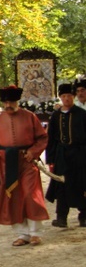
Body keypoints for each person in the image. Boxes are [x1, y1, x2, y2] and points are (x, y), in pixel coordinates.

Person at [0, 85, 49, 245]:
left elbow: (42, 138)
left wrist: (33, 152)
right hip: (5, 162)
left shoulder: (29, 116)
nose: (9, 105)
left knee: (30, 194)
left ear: (17, 101)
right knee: (13, 196)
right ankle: (22, 234)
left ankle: (35, 232)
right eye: (6, 102)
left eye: (12, 102)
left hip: (27, 160)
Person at [45, 83, 86, 228]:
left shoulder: (82, 114)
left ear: (73, 97)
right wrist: (50, 160)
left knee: (80, 184)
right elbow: (50, 138)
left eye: (69, 96)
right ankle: (61, 217)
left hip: (80, 155)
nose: (67, 99)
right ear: (60, 98)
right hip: (61, 156)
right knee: (61, 185)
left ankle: (84, 215)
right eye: (64, 96)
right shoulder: (56, 116)